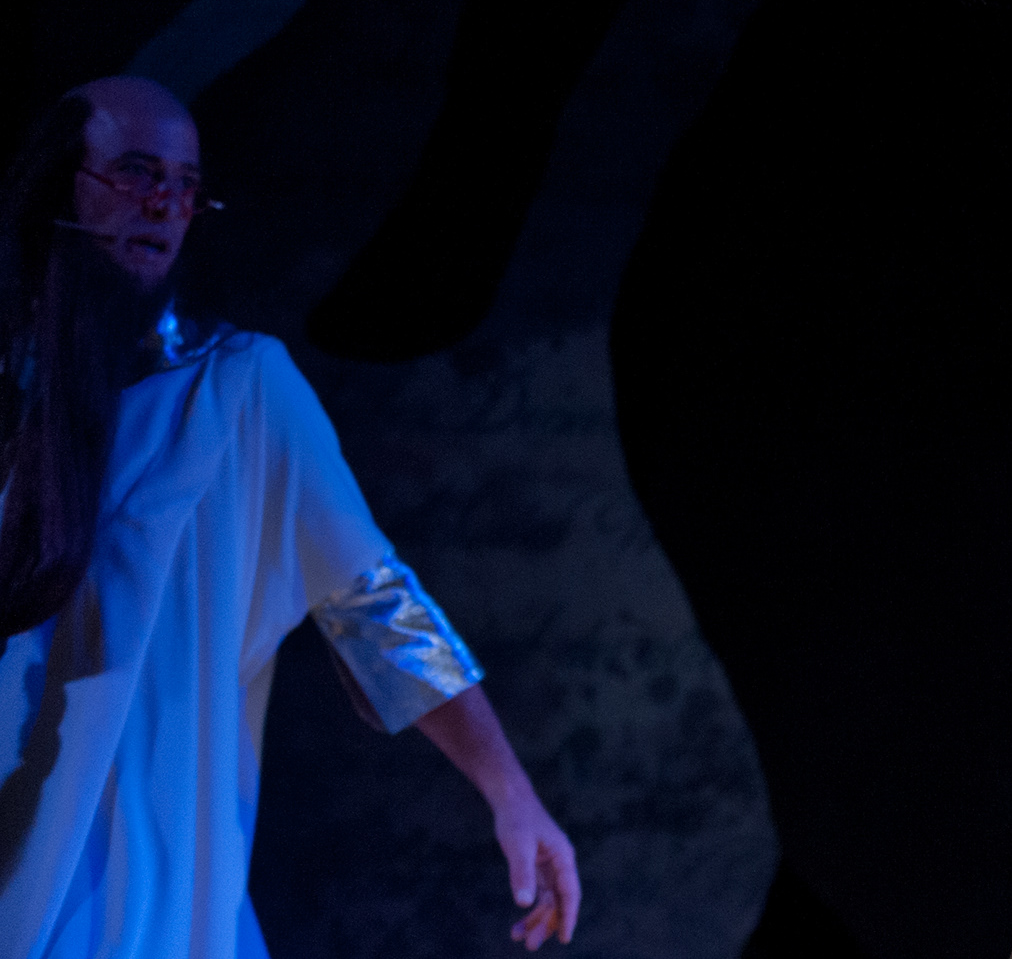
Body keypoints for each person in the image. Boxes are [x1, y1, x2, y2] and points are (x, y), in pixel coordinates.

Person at [0, 77, 580, 957]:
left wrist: (512, 793)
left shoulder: (240, 391)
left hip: (151, 876)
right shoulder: (14, 396)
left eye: (186, 186)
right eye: (136, 172)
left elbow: (374, 604)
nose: (164, 205)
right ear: (59, 186)